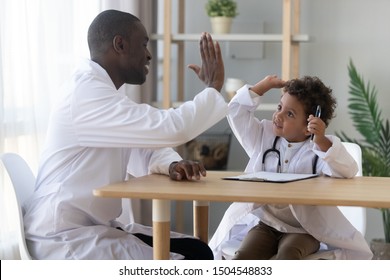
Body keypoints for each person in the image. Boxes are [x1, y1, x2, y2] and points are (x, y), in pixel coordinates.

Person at [23, 10, 228, 260]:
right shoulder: (87, 94)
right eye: (143, 45)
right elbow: (172, 127)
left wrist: (171, 163)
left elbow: (138, 146)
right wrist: (213, 89)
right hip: (65, 237)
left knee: (198, 250)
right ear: (120, 44)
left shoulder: (101, 93)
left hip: (91, 227)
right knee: (193, 261)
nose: (149, 55)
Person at [209, 75, 373, 260]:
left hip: (304, 229)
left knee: (287, 257)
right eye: (280, 107)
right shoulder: (263, 136)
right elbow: (236, 111)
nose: (278, 116)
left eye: (290, 114)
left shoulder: (318, 150)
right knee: (244, 257)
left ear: (308, 126)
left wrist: (322, 141)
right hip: (267, 225)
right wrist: (262, 87)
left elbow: (347, 170)